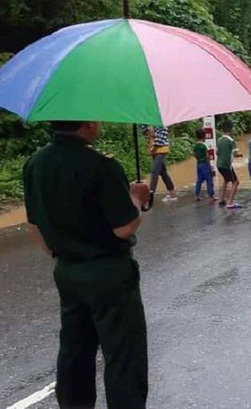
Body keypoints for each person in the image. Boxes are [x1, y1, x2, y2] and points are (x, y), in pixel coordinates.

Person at [23, 121, 149, 409]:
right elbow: (124, 227)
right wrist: (136, 198)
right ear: (88, 125)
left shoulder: (36, 162)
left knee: (74, 349)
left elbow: (34, 224)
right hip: (109, 273)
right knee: (122, 354)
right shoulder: (103, 166)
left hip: (66, 270)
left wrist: (61, 254)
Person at [143, 125, 177, 203]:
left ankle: (150, 194)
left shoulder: (162, 126)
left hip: (161, 150)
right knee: (163, 172)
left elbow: (160, 142)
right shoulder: (149, 124)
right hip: (153, 150)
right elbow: (144, 131)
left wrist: (152, 134)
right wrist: (149, 130)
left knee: (154, 171)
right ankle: (172, 192)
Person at [217, 120, 243, 209]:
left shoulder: (219, 140)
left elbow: (217, 152)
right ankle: (230, 202)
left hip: (219, 165)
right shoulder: (231, 141)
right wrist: (240, 155)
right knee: (236, 182)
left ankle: (221, 199)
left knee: (225, 179)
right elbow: (235, 154)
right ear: (231, 130)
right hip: (227, 165)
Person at [193, 128, 217, 203]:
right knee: (209, 180)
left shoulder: (196, 145)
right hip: (205, 164)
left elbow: (194, 154)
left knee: (199, 180)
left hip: (199, 164)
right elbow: (207, 156)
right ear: (204, 136)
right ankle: (211, 196)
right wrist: (210, 165)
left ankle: (197, 195)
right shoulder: (204, 146)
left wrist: (198, 159)